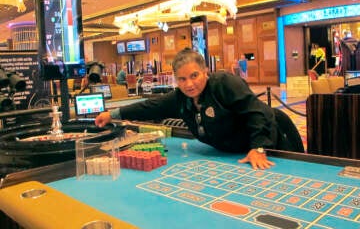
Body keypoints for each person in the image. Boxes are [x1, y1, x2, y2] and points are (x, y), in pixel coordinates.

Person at [95, 48, 301, 169]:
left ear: (205, 72)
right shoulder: (180, 98)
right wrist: (112, 114)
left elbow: (259, 112)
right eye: (182, 79)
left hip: (271, 141)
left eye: (194, 76)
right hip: (234, 153)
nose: (189, 84)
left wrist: (258, 148)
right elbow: (150, 107)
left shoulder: (224, 83)